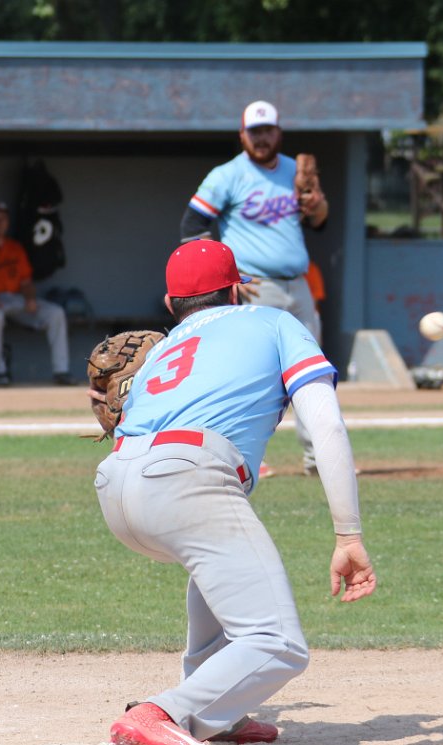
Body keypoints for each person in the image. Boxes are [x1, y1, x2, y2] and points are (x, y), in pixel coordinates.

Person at [93, 239, 375, 745]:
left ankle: (217, 713)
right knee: (279, 644)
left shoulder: (162, 352)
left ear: (171, 303)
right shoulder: (274, 321)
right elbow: (326, 425)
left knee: (218, 560)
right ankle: (166, 712)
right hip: (187, 477)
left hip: (116, 483)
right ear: (237, 290)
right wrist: (348, 534)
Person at [180, 100, 329, 477]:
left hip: (298, 285)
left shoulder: (294, 170)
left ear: (278, 132)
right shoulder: (227, 175)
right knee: (249, 373)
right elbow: (191, 227)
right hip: (256, 287)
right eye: (254, 132)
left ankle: (320, 459)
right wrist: (224, 277)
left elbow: (319, 223)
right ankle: (242, 457)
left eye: (267, 131)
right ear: (242, 135)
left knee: (313, 373)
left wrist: (317, 205)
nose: (262, 138)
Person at [0, 201, 76, 386]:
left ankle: (61, 370)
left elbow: (26, 281)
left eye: (3, 219)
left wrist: (30, 299)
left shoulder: (15, 247)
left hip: (13, 299)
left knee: (55, 313)